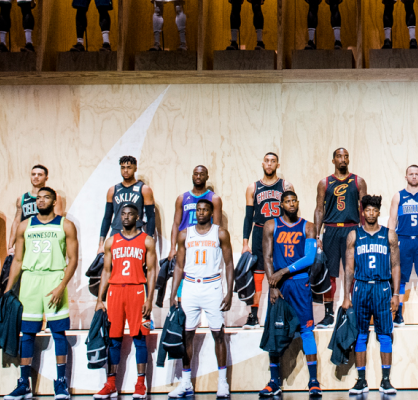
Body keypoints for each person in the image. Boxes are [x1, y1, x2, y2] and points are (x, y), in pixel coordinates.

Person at [5, 188, 79, 400]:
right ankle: (24, 384)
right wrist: (10, 289)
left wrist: (61, 286)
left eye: (46, 197)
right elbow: (18, 260)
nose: (41, 200)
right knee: (27, 333)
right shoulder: (24, 225)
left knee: (58, 332)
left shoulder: (65, 225)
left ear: (54, 201)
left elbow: (73, 260)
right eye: (38, 198)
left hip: (54, 278)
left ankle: (61, 382)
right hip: (30, 280)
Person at [171, 198, 235, 399]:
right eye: (198, 209)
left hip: (212, 285)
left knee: (218, 334)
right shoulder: (185, 234)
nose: (200, 212)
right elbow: (179, 266)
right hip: (190, 286)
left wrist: (229, 292)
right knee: (186, 334)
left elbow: (229, 264)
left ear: (211, 211)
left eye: (205, 209)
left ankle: (222, 382)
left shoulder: (220, 233)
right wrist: (174, 293)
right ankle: (186, 382)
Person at [95, 204, 158, 400]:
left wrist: (150, 298)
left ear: (137, 217)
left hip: (138, 291)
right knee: (113, 339)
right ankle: (111, 383)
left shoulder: (147, 240)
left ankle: (140, 384)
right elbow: (106, 271)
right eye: (123, 214)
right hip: (115, 291)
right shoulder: (111, 241)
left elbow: (152, 270)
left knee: (140, 338)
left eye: (130, 214)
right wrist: (100, 299)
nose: (126, 217)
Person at [262, 191, 322, 396]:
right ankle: (273, 381)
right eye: (287, 201)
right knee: (275, 333)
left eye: (294, 201)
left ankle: (314, 381)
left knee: (306, 331)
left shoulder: (308, 227)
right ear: (281, 204)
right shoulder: (271, 225)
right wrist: (272, 286)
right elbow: (267, 258)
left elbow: (310, 258)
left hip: (298, 284)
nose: (291, 204)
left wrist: (284, 272)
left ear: (298, 202)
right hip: (279, 287)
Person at [342, 195, 401, 395]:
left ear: (378, 212)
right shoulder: (354, 235)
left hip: (383, 288)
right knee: (360, 334)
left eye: (374, 210)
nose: (371, 213)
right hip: (361, 287)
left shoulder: (389, 235)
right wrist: (346, 296)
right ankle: (361, 381)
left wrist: (396, 294)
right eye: (367, 210)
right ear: (363, 212)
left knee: (385, 334)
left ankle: (385, 381)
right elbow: (349, 269)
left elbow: (396, 265)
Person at [315, 148, 367, 326]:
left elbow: (364, 208)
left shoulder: (358, 181)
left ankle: (353, 307)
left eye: (346, 156)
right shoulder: (325, 182)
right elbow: (319, 209)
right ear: (333, 160)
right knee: (328, 274)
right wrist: (316, 234)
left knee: (352, 271)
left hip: (351, 229)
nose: (343, 159)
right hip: (330, 229)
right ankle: (328, 313)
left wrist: (366, 231)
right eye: (339, 156)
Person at [245, 153, 291, 328]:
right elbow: (248, 217)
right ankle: (253, 314)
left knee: (280, 271)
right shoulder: (253, 187)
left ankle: (281, 313)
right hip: (259, 231)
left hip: (279, 231)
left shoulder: (285, 185)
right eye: (267, 161)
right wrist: (244, 242)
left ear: (277, 165)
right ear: (262, 163)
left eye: (273, 161)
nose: (269, 164)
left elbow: (292, 211)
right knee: (257, 274)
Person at [389, 165, 418, 325]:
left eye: (417, 174)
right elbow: (392, 220)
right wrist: (391, 240)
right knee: (400, 279)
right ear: (406, 176)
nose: (414, 176)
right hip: (403, 240)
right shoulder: (398, 196)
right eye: (411, 174)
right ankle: (398, 314)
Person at [9, 165, 65, 253]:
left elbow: (58, 221)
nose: (36, 177)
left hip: (45, 241)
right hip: (26, 240)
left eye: (39, 174)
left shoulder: (55, 197)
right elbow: (16, 222)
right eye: (33, 174)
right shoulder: (22, 198)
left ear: (46, 178)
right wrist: (10, 246)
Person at [103, 155, 157, 240]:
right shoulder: (113, 190)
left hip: (136, 232)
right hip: (116, 232)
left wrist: (150, 237)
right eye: (123, 167)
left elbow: (151, 216)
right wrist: (101, 242)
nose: (125, 170)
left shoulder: (144, 189)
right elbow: (107, 217)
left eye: (129, 167)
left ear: (135, 168)